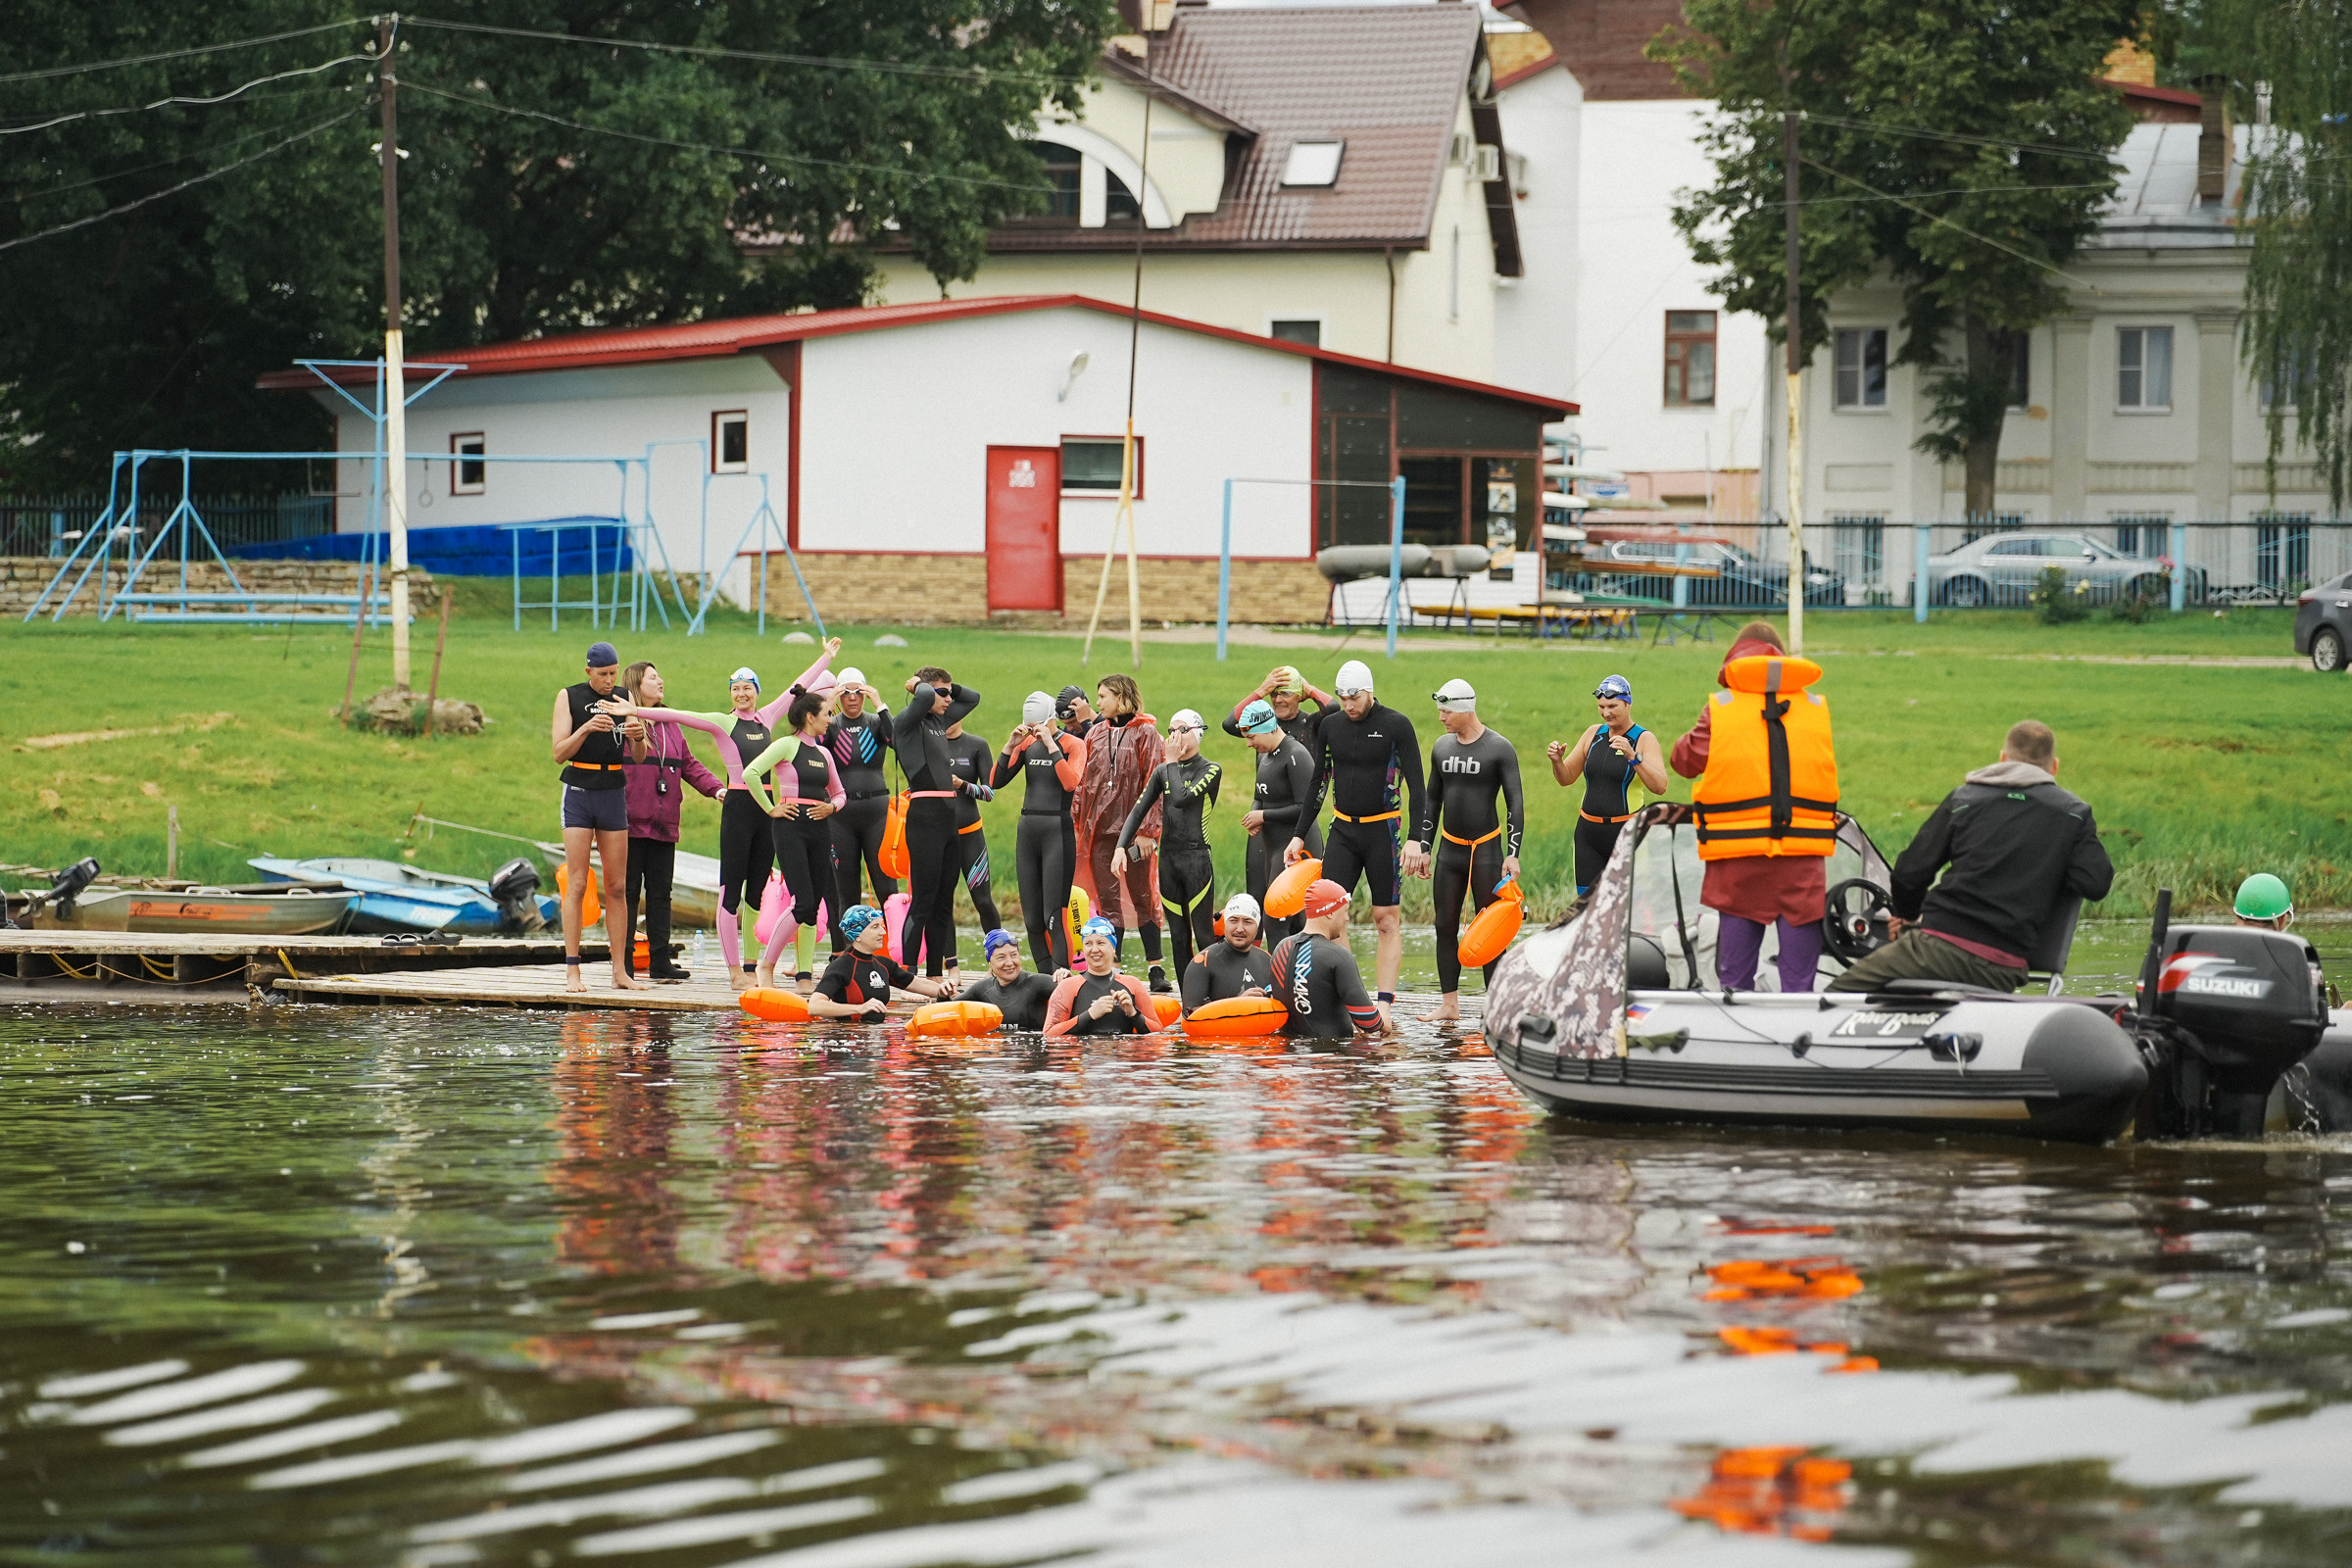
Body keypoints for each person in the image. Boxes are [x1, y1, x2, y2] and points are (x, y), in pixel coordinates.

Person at [612, 642, 839, 989]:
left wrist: (826, 658)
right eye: (735, 688)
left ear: (757, 692)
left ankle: (752, 966)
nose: (741, 693)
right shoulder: (722, 723)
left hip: (768, 811)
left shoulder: (767, 718)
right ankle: (734, 972)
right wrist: (635, 710)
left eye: (747, 687)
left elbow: (799, 687)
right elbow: (678, 715)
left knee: (756, 892)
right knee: (730, 892)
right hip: (738, 807)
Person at [1830, 721, 2115, 995]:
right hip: (2004, 968)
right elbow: (2095, 883)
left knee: (1835, 996)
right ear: (2054, 767)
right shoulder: (2074, 814)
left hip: (1936, 948)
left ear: (2002, 758)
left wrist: (1908, 917)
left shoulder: (1964, 799)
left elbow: (1909, 873)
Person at [1671, 627, 1835, 993]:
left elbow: (1684, 761)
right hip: (1802, 859)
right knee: (1800, 987)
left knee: (1735, 984)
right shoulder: (1815, 707)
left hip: (1737, 859)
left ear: (1734, 659)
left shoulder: (1721, 708)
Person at [1284, 660, 1427, 1021]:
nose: (1348, 705)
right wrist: (1298, 835)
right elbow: (1318, 782)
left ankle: (1385, 1004)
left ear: (1369, 691)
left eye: (1355, 698)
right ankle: (1354, 1000)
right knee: (1330, 916)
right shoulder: (1330, 726)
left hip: (1383, 831)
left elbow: (1418, 787)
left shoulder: (1396, 725)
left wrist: (1416, 839)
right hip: (1343, 830)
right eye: (1343, 698)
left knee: (1385, 919)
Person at [1421, 678, 1525, 1021]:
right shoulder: (1441, 747)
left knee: (1491, 930)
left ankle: (1494, 1006)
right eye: (1440, 711)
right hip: (1449, 850)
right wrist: (1425, 847)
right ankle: (1449, 1005)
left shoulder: (1499, 748)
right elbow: (1432, 800)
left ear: (1466, 709)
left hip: (1486, 850)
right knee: (1444, 926)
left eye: (1446, 712)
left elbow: (1515, 803)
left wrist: (1513, 853)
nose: (1441, 718)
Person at [551, 641, 649, 993]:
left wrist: (638, 737)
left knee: (618, 887)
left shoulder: (624, 697)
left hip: (612, 791)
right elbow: (558, 752)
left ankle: (620, 971)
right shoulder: (570, 696)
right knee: (577, 882)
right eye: (603, 674)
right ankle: (573, 971)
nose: (609, 681)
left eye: (613, 673)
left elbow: (639, 755)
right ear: (588, 671)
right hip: (579, 790)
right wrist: (587, 728)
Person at [618, 661, 720, 981]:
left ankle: (660, 961)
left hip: (665, 825)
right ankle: (623, 962)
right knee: (628, 894)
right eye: (653, 677)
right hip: (629, 826)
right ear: (636, 684)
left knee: (661, 894)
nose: (660, 681)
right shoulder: (624, 725)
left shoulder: (670, 724)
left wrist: (717, 789)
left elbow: (689, 765)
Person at [743, 689, 848, 991]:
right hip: (790, 828)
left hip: (820, 829)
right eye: (827, 714)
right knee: (802, 903)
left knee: (812, 906)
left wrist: (831, 807)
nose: (830, 719)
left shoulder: (824, 754)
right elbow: (751, 773)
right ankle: (766, 965)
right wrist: (771, 808)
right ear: (810, 717)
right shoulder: (786, 745)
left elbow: (840, 793)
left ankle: (804, 977)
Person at [1074, 673, 1168, 990]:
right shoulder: (1095, 734)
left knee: (1144, 895)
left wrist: (1148, 831)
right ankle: (1113, 970)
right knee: (1108, 898)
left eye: (1103, 696)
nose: (1097, 703)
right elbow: (1084, 783)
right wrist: (1080, 823)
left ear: (1121, 697)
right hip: (1100, 831)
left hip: (1135, 833)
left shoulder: (1146, 733)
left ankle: (1155, 968)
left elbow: (1155, 783)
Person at [1116, 709, 1220, 982]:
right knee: (1178, 935)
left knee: (1203, 934)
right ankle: (1189, 998)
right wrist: (1120, 848)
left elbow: (1182, 798)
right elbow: (1138, 811)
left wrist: (1172, 761)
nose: (1174, 736)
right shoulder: (1162, 771)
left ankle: (1213, 993)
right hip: (1169, 861)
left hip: (1197, 860)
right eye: (1171, 730)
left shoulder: (1210, 769)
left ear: (1197, 733)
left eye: (1182, 730)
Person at [893, 665, 983, 979]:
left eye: (948, 692)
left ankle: (934, 975)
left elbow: (973, 698)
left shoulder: (938, 721)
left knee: (943, 903)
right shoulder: (907, 722)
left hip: (948, 819)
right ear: (923, 692)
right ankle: (908, 974)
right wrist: (919, 687)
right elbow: (923, 698)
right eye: (941, 693)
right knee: (923, 901)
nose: (948, 699)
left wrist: (944, 689)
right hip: (924, 817)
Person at [1547, 673, 1667, 900]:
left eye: (1612, 706)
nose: (1606, 713)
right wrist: (1557, 761)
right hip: (1588, 836)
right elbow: (1566, 778)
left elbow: (1660, 786)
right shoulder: (1593, 734)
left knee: (1627, 906)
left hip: (1626, 835)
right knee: (1587, 907)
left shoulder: (1643, 739)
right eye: (1601, 707)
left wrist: (1634, 757)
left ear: (1628, 704)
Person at [993, 691, 1088, 974]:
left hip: (1057, 831)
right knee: (1033, 920)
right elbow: (995, 781)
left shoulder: (1073, 744)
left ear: (1050, 720)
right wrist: (1010, 746)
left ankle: (1062, 977)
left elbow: (1070, 783)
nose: (1033, 732)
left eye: (1037, 727)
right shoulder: (1026, 745)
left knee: (1053, 916)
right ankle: (1046, 980)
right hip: (1028, 831)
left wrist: (1050, 744)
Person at [822, 667, 898, 926]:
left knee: (887, 889)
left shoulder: (876, 722)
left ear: (866, 694)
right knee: (847, 893)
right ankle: (849, 949)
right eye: (846, 692)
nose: (852, 698)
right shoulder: (830, 725)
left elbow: (897, 740)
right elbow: (813, 743)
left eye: (858, 692)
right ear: (838, 696)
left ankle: (897, 948)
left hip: (877, 814)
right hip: (840, 817)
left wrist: (880, 704)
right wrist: (827, 705)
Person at [1268, 878, 1383, 1039]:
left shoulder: (1281, 948)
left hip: (1288, 1050)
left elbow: (1271, 994)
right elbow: (1369, 1022)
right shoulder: (1338, 956)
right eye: (1345, 911)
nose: (1347, 918)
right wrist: (1383, 1023)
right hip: (1331, 1051)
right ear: (1330, 912)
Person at [809, 903, 958, 1021]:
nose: (883, 932)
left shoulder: (884, 965)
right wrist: (859, 1008)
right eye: (875, 927)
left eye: (881, 926)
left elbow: (920, 984)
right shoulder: (840, 967)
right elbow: (814, 1006)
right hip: (846, 1039)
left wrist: (943, 989)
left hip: (877, 1039)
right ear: (857, 935)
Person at [941, 708, 1004, 969]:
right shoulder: (930, 744)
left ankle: (1000, 959)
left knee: (983, 901)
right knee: (943, 903)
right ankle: (951, 967)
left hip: (970, 837)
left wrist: (962, 785)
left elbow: (989, 792)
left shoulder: (976, 745)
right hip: (940, 839)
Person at [1043, 917, 1167, 1037]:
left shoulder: (1133, 984)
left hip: (1122, 1050)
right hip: (1085, 1051)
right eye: (1088, 944)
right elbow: (1049, 1033)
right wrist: (1090, 1014)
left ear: (1113, 948)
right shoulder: (1069, 986)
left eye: (1101, 943)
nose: (1094, 949)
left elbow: (1157, 1031)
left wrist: (1133, 1013)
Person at [1181, 892, 1276, 1012]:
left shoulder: (1267, 959)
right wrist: (1237, 1005)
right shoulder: (1203, 963)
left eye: (1248, 922)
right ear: (1225, 924)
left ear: (1257, 928)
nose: (1240, 929)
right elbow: (1190, 1014)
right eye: (1233, 920)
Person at [959, 927, 1059, 1031]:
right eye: (1001, 957)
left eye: (1013, 955)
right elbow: (950, 1009)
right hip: (996, 1041)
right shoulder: (982, 989)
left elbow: (1069, 991)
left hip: (1035, 1041)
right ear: (990, 963)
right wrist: (947, 993)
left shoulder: (1037, 983)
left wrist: (1065, 977)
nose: (1009, 963)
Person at [1222, 664, 1331, 748]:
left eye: (1286, 693)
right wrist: (1262, 690)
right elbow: (1229, 724)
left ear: (1299, 696)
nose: (1278, 700)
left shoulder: (1311, 724)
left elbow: (1332, 708)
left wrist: (1308, 688)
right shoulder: (1263, 724)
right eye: (1273, 693)